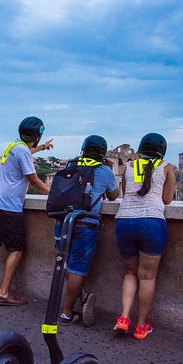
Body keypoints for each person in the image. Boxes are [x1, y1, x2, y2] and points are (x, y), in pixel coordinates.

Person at [113, 133, 176, 340]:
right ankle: (140, 327)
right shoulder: (167, 167)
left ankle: (123, 318)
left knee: (130, 273)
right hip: (151, 223)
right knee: (147, 277)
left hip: (124, 221)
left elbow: (125, 194)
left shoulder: (130, 167)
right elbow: (166, 200)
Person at [0, 116, 51, 306]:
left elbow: (26, 152)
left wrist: (43, 148)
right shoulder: (23, 152)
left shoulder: (13, 146)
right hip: (9, 207)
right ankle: (4, 293)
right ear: (37, 135)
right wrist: (54, 194)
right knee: (17, 249)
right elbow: (34, 180)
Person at [57, 135, 119, 327]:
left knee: (66, 263)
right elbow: (114, 195)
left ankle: (84, 298)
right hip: (86, 224)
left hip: (63, 221)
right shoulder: (104, 170)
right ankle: (67, 314)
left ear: (83, 148)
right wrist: (111, 169)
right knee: (77, 269)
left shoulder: (71, 165)